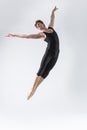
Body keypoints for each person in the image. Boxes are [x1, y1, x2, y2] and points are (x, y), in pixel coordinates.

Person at [6, 6, 60, 100]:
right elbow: (27, 36)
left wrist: (53, 11)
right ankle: (32, 89)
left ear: (43, 23)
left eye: (39, 24)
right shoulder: (41, 34)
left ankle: (35, 89)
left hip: (56, 54)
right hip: (49, 53)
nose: (39, 26)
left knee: (47, 71)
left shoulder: (51, 28)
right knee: (41, 69)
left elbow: (52, 18)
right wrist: (14, 35)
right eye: (37, 26)